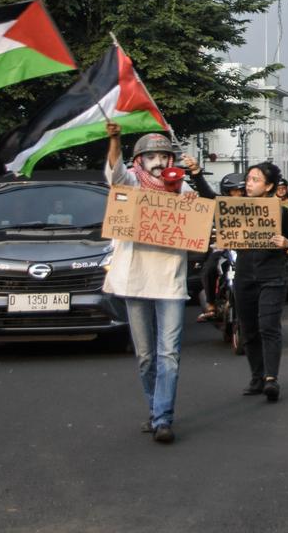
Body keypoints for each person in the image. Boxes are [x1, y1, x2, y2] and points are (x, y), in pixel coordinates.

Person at [103, 122, 194, 444]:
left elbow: (201, 211)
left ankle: (162, 418)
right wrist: (114, 140)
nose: (158, 161)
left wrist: (193, 175)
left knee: (169, 353)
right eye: (150, 156)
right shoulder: (130, 185)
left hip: (169, 281)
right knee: (146, 356)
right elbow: (114, 175)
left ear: (171, 161)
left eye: (163, 156)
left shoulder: (182, 189)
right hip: (135, 281)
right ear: (138, 160)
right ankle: (155, 408)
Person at [234, 162, 288, 401]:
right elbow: (210, 200)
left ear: (269, 186)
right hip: (244, 277)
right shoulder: (237, 210)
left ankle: (271, 378)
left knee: (268, 327)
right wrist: (196, 174)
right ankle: (257, 377)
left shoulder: (281, 213)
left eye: (255, 179)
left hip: (272, 276)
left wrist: (286, 243)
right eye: (248, 179)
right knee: (249, 330)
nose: (249, 183)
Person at [178, 165, 246, 323]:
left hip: (248, 249)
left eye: (240, 191)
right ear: (226, 192)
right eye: (233, 191)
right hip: (224, 248)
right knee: (208, 269)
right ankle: (210, 303)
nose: (237, 194)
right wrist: (197, 174)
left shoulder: (256, 205)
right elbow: (207, 194)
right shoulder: (219, 204)